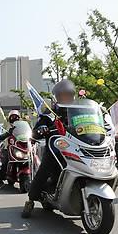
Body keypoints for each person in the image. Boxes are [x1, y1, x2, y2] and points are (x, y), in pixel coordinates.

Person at [21, 79, 76, 218]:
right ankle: (31, 199)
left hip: (76, 149)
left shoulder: (78, 111)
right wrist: (42, 130)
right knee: (44, 169)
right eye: (62, 95)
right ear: (56, 97)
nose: (66, 98)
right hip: (55, 150)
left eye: (68, 95)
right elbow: (35, 132)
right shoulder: (49, 113)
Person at [0, 109, 21, 189]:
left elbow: (28, 132)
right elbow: (2, 117)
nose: (14, 118)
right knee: (5, 162)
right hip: (9, 148)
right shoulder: (7, 124)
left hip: (20, 147)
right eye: (12, 117)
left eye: (16, 117)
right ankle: (0, 181)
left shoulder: (21, 125)